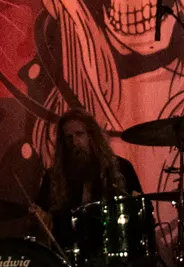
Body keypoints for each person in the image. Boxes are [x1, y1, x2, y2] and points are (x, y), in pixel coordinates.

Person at [32, 107, 142, 253]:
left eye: (79, 134)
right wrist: (40, 219)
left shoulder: (121, 168)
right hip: (68, 257)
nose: (74, 142)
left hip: (115, 252)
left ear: (91, 136)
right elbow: (41, 219)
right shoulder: (53, 177)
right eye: (68, 138)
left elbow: (140, 214)